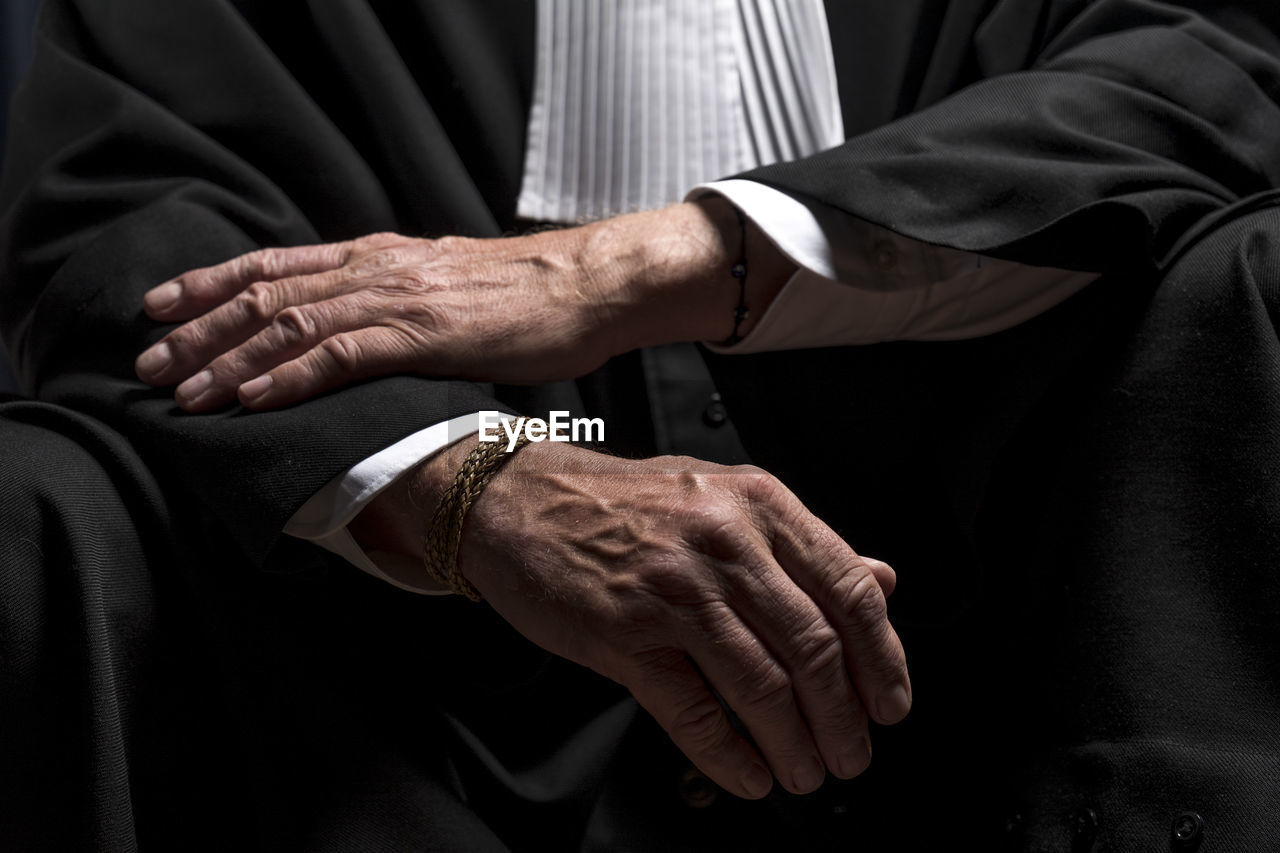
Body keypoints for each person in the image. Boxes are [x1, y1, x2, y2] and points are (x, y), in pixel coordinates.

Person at [3, 0, 1280, 850]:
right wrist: (474, 489)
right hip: (400, 700)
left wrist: (613, 272)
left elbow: (1211, 65)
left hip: (1014, 661)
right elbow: (121, 226)